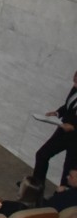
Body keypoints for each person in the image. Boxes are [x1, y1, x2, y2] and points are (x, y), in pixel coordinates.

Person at [27, 70, 77, 200]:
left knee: (69, 169)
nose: (74, 85)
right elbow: (68, 106)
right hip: (63, 130)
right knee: (42, 154)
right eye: (74, 81)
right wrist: (57, 113)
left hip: (75, 137)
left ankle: (60, 198)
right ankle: (36, 190)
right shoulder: (75, 88)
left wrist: (74, 127)